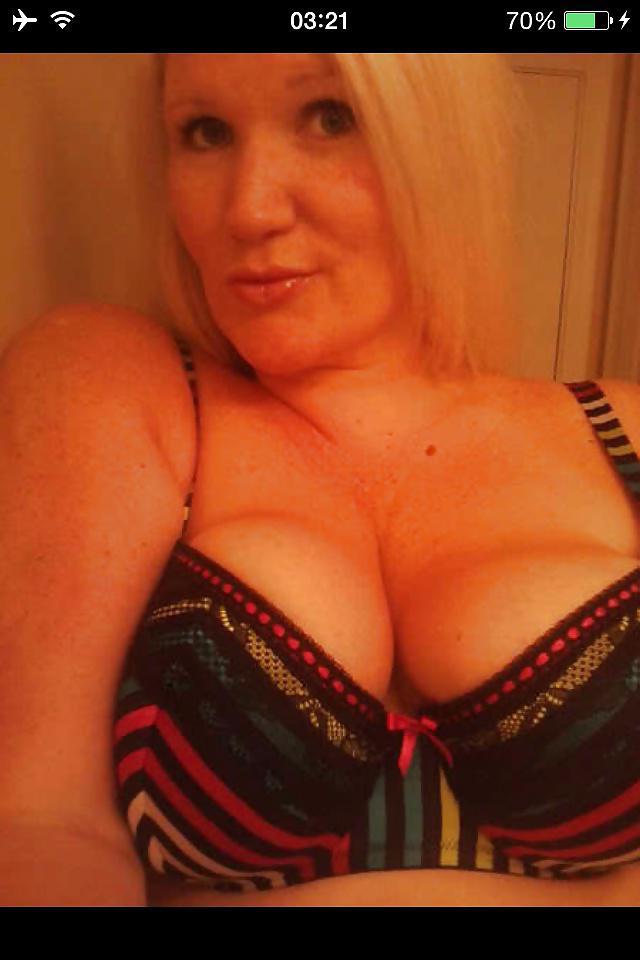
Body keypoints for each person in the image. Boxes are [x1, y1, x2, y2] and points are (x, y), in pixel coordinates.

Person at [0, 53, 639, 907]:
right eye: (206, 132)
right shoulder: (108, 380)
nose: (250, 208)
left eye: (331, 118)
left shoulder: (622, 430)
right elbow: (41, 825)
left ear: (439, 144)